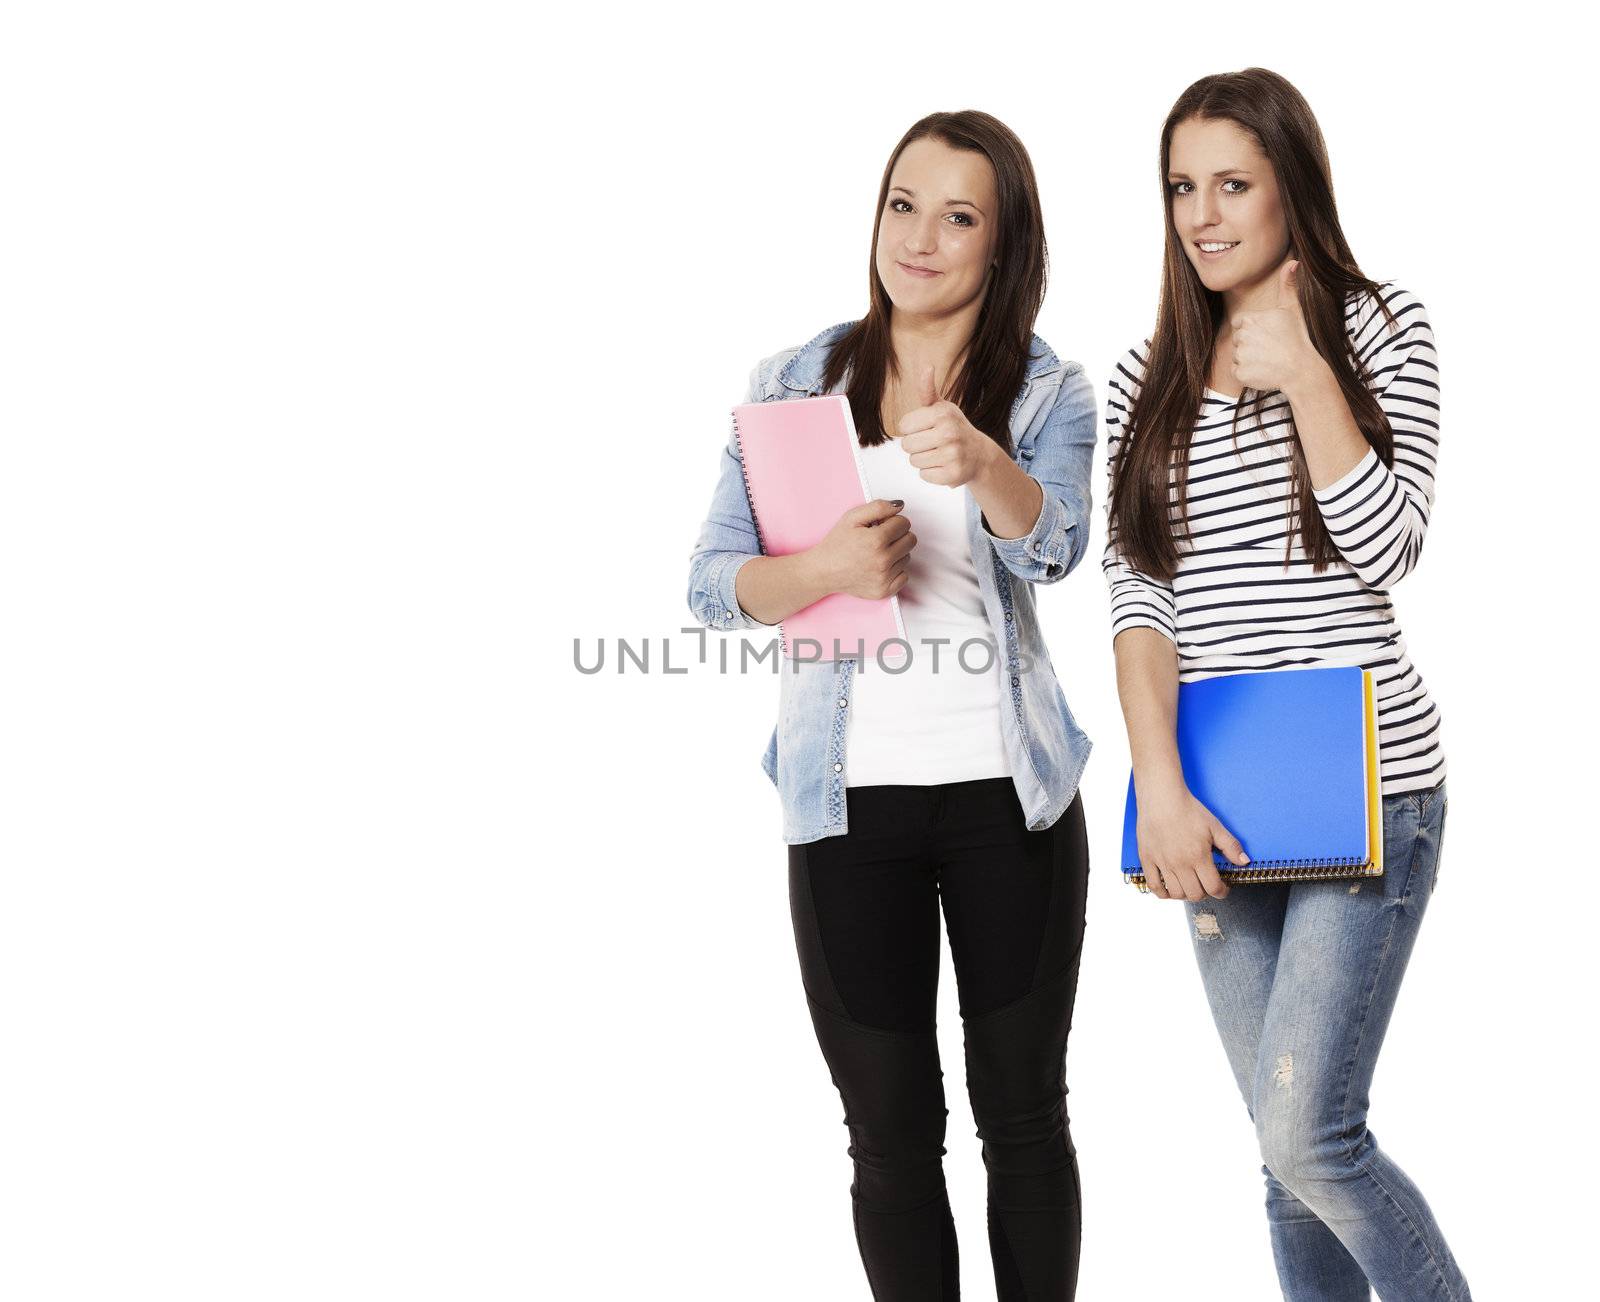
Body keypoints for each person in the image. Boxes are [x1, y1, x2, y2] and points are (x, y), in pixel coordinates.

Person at [688, 110, 1097, 1300]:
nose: (919, 238)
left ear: (1002, 241)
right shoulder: (795, 381)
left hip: (1004, 800)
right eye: (902, 205)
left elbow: (1056, 549)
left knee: (1022, 1118)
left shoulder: (1042, 388)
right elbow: (712, 587)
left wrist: (985, 464)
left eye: (958, 215)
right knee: (886, 1135)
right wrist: (822, 570)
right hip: (845, 805)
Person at [1103, 68, 1471, 1300]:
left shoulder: (1381, 328)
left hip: (1368, 790)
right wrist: (1156, 783)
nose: (1202, 214)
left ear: (1290, 188)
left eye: (1231, 183)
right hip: (1212, 798)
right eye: (1179, 188)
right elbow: (1138, 597)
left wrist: (1308, 372)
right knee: (1280, 1160)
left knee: (1307, 1134)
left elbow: (1389, 546)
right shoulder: (1141, 378)